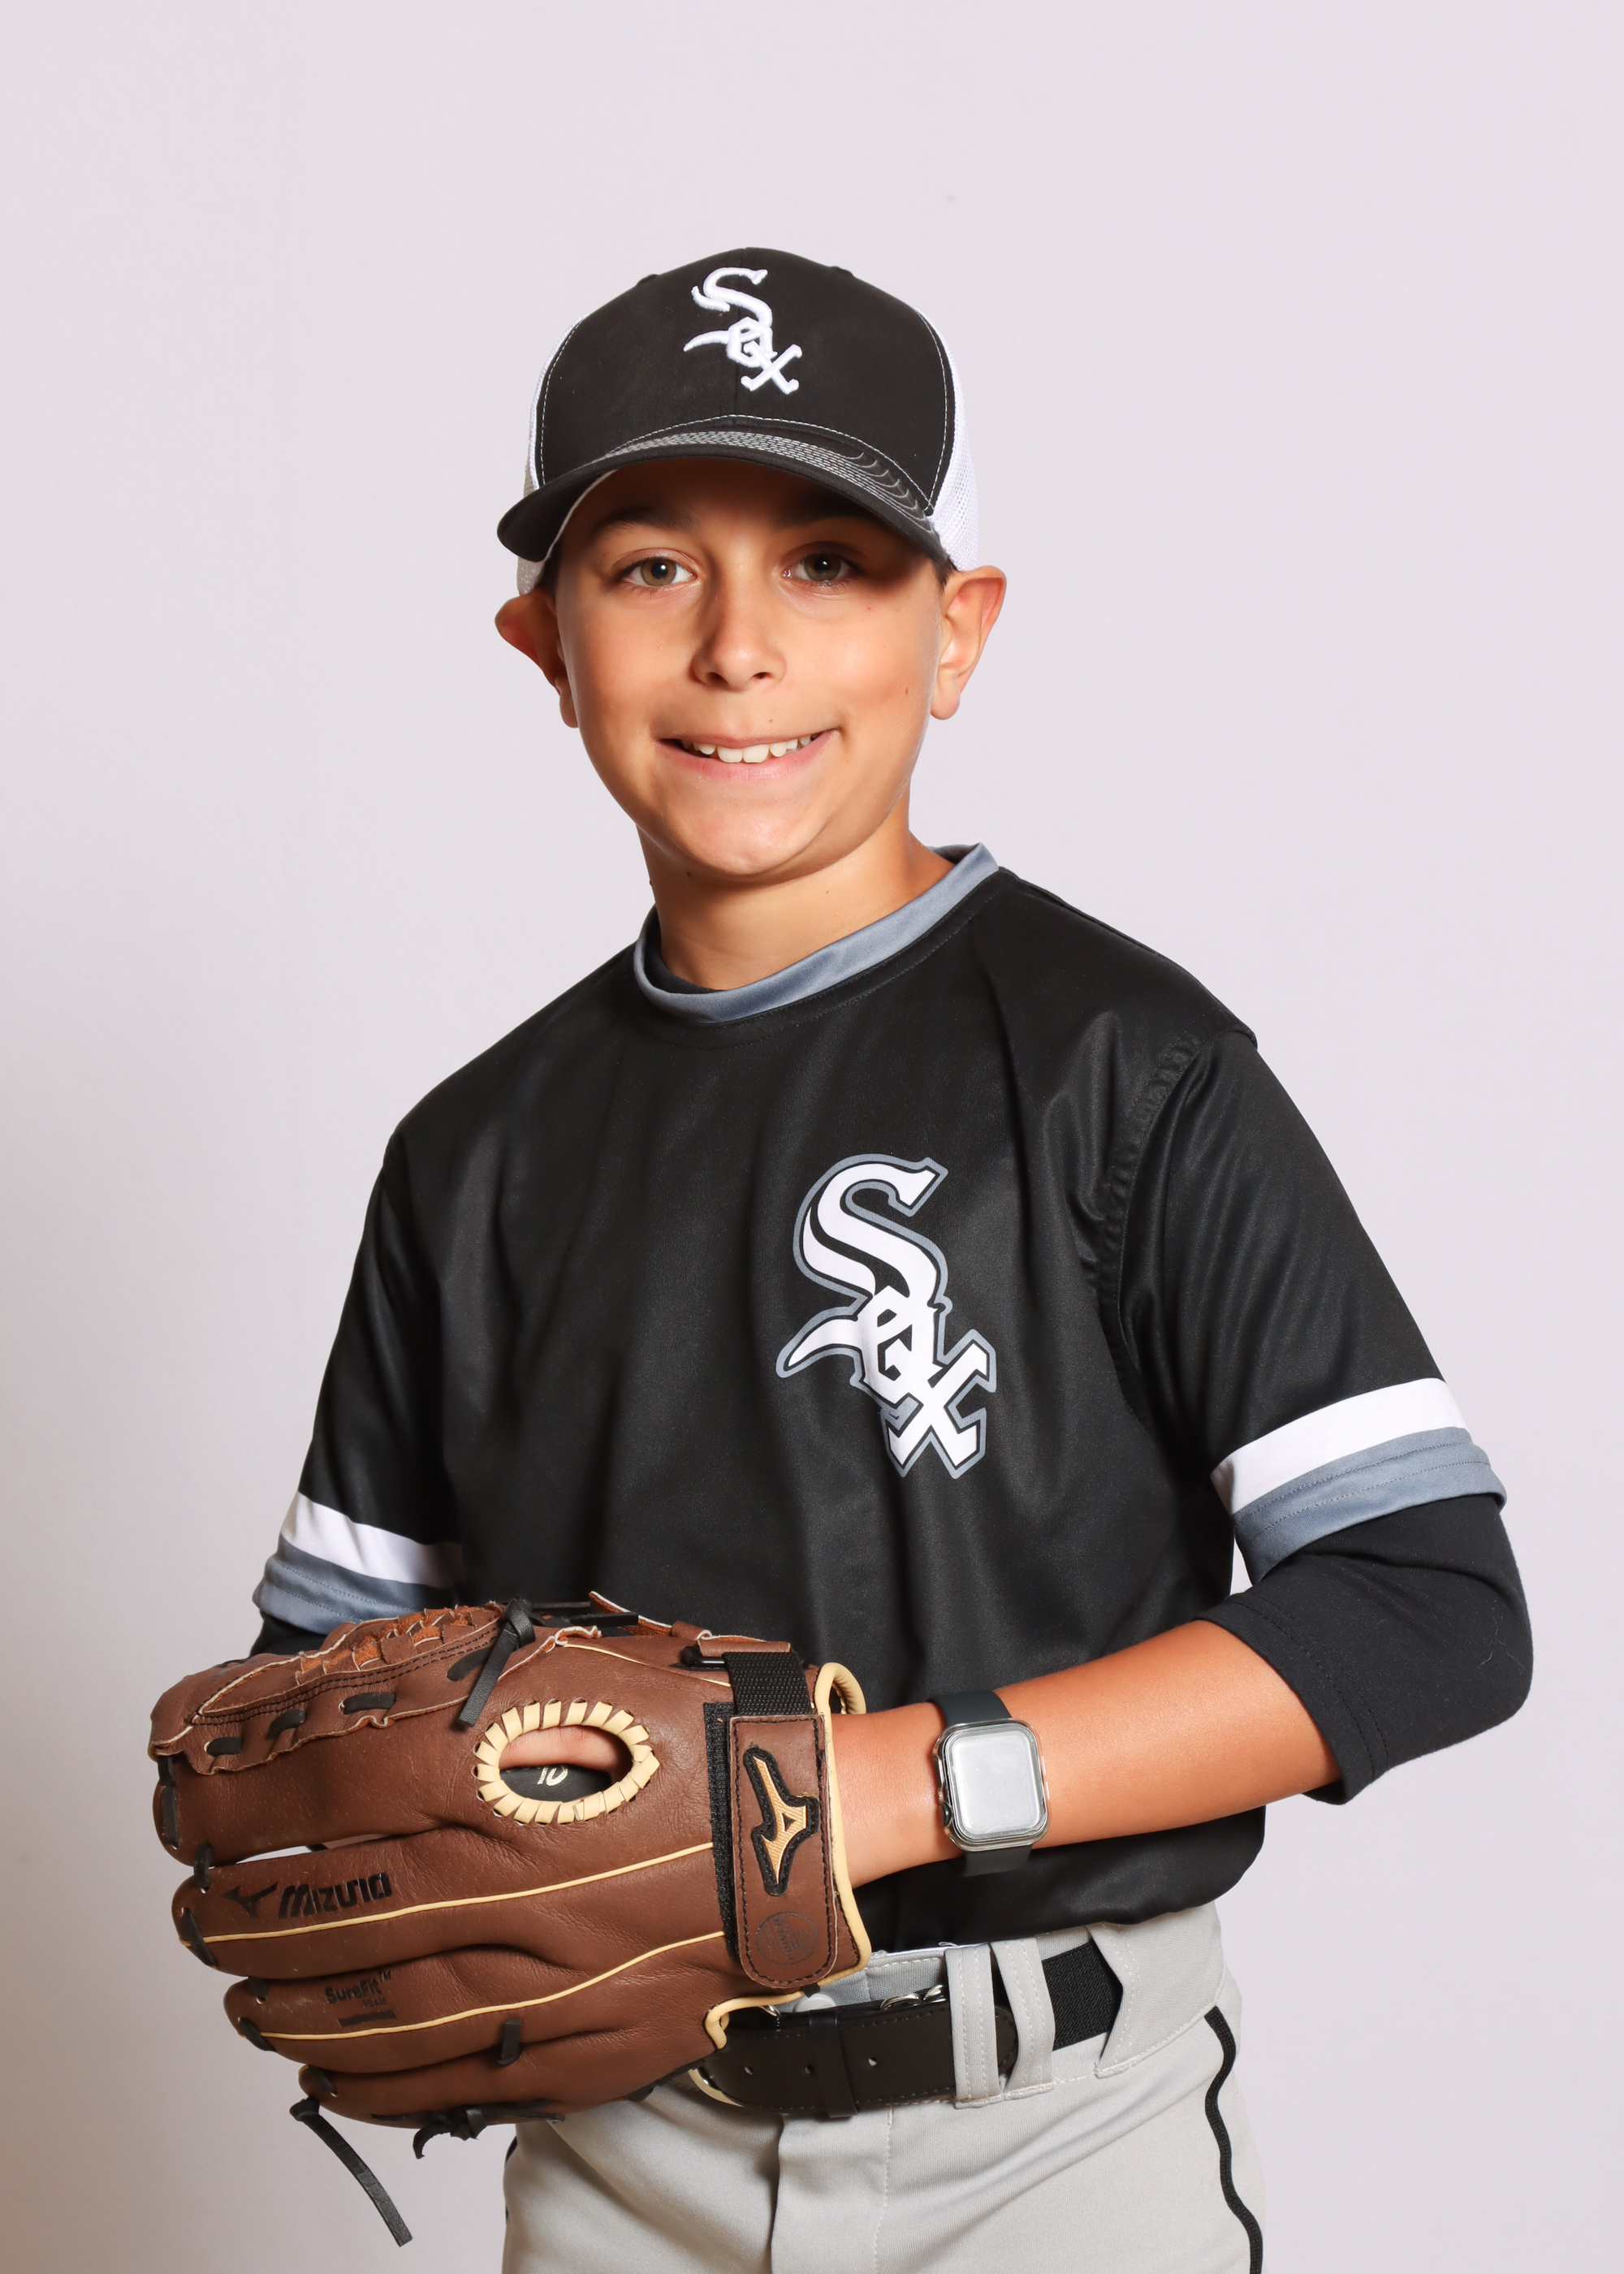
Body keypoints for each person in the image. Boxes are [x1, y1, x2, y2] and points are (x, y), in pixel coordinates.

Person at [244, 249, 1531, 2272]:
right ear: (544, 643)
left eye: (830, 560)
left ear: (957, 631)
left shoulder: (1123, 1064)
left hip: (1051, 2132)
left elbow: (1425, 1605)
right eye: (650, 567)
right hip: (618, 2144)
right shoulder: (470, 1156)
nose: (740, 645)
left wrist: (866, 1788)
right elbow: (314, 1692)